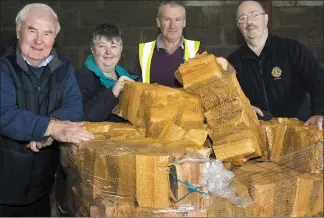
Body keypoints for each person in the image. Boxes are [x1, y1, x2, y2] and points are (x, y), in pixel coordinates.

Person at [0, 3, 94, 216]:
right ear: (18, 31)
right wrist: (49, 127)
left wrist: (47, 132)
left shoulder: (63, 67)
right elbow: (4, 113)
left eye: (47, 33)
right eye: (32, 30)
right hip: (5, 185)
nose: (39, 41)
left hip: (42, 185)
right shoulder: (4, 65)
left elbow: (74, 106)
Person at [227, 0, 324, 130]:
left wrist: (319, 112)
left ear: (265, 19)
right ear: (239, 27)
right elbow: (228, 99)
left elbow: (318, 80)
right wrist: (243, 108)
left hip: (298, 132)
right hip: (260, 138)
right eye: (243, 18)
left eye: (255, 15)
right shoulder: (233, 62)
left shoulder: (291, 49)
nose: (249, 22)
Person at [133, 0, 205, 88]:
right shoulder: (143, 52)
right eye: (167, 19)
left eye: (178, 20)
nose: (172, 26)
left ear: (184, 23)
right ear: (158, 22)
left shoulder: (197, 50)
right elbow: (135, 90)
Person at [75, 23, 137, 122]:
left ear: (120, 50)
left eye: (113, 46)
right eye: (102, 46)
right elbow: (82, 116)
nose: (108, 52)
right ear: (93, 50)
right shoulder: (79, 79)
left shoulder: (131, 78)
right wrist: (113, 92)